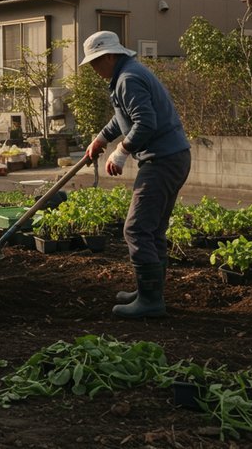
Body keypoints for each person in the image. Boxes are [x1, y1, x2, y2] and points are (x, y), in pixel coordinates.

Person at [81, 30, 191, 318]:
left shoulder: (128, 79)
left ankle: (151, 302)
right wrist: (101, 139)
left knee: (136, 228)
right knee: (152, 229)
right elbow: (123, 117)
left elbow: (146, 123)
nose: (94, 70)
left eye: (95, 63)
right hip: (173, 157)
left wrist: (121, 152)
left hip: (162, 161)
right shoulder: (126, 75)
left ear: (110, 56)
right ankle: (149, 291)